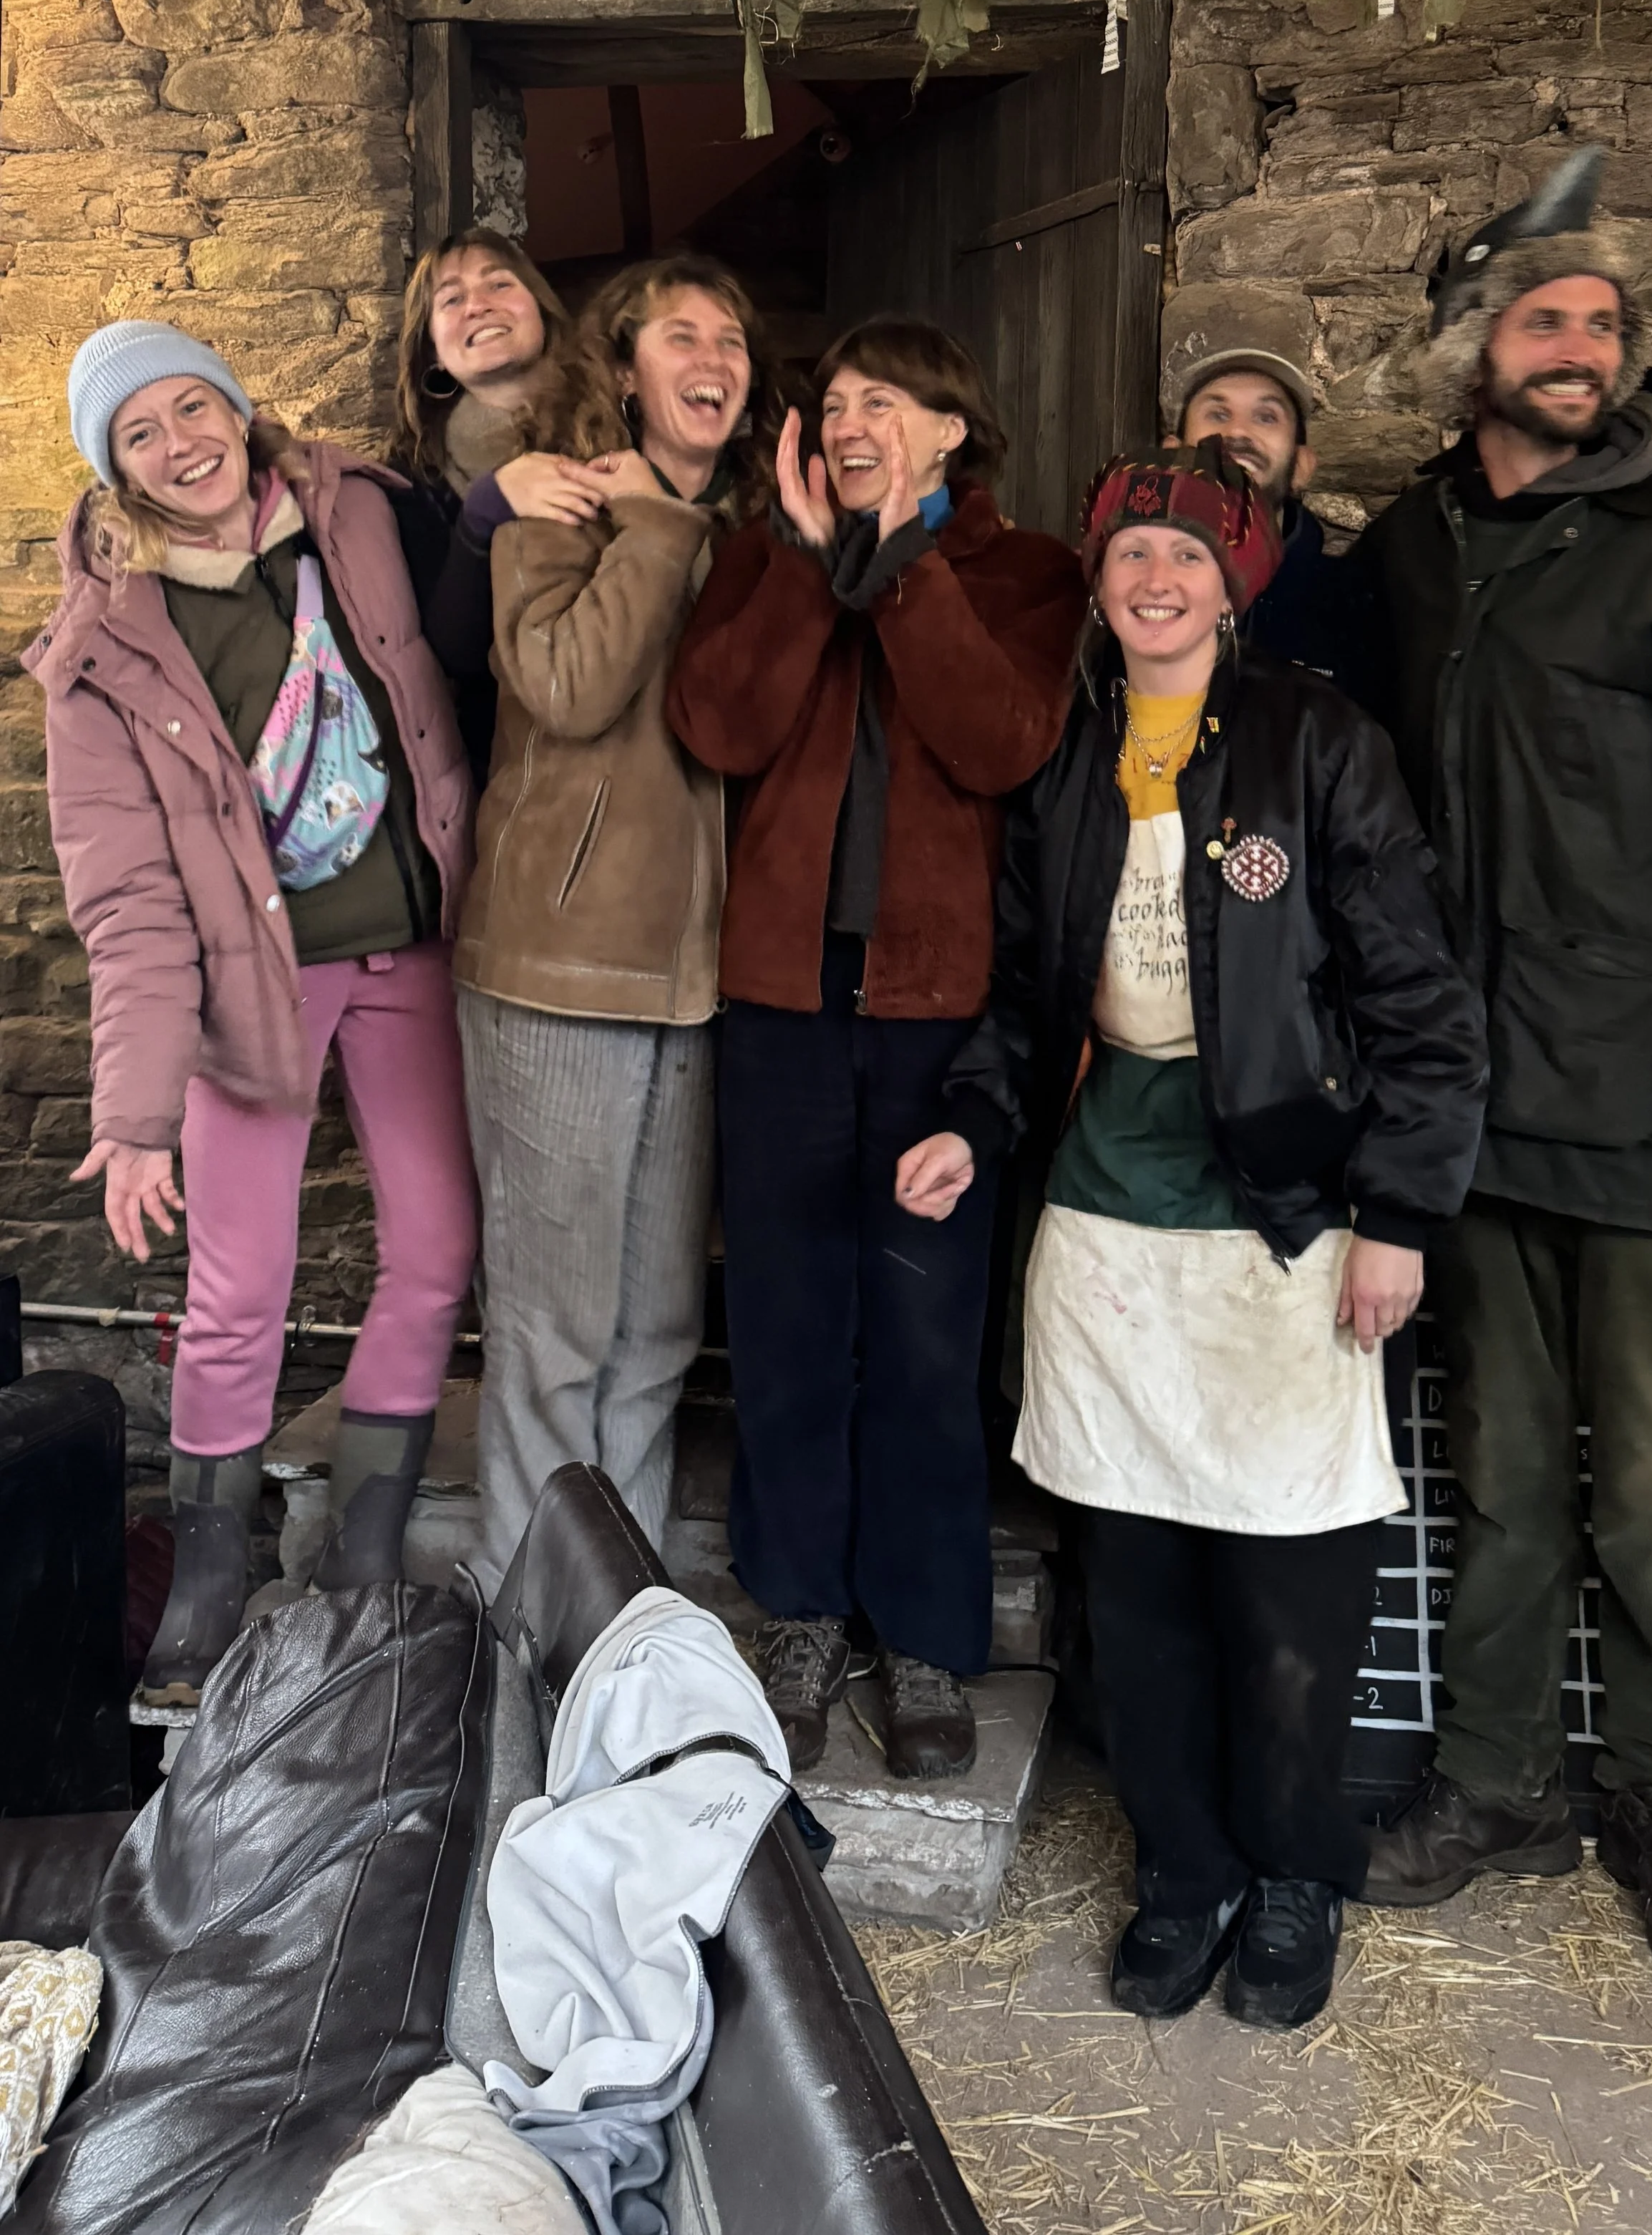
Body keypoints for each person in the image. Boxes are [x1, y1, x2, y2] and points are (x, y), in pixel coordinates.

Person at [894, 444, 1486, 2027]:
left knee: (1287, 1575)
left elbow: (1416, 1002)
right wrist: (970, 1118)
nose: (1151, 581)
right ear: (1096, 584)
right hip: (1102, 1217)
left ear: (1233, 581)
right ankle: (1185, 1864)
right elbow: (1022, 997)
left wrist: (1400, 1212)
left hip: (1285, 1212)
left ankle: (1294, 1868)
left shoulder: (1317, 743)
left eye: (1181, 556)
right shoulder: (1070, 756)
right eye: (1125, 556)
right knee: (1138, 1571)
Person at [1354, 147, 1652, 1991]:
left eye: (1603, 324)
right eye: (1545, 319)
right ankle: (1495, 1780)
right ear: (1474, 348)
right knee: (1506, 1475)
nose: (1581, 348)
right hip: (1481, 1096)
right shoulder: (1407, 550)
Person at [28, 322, 480, 1705]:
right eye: (140, 433)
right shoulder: (100, 651)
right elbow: (128, 904)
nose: (180, 443)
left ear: (236, 404)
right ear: (113, 471)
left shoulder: (359, 511)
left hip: (417, 947)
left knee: (437, 1245)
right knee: (239, 1285)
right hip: (248, 984)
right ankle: (213, 1557)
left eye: (190, 406)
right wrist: (136, 1114)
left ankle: (367, 1541)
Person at [665, 319, 1086, 1783]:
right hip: (778, 1003)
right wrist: (796, 554)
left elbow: (999, 739)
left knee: (921, 1338)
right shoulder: (765, 553)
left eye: (883, 401)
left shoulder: (1022, 575)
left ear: (950, 429)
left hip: (930, 1012)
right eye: (832, 402)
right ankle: (797, 1610)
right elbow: (716, 722)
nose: (849, 421)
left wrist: (896, 563)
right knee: (783, 1328)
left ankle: (923, 1632)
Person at [453, 253, 783, 1593]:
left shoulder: (754, 533)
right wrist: (652, 526)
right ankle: (526, 1638)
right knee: (554, 1332)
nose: (715, 355)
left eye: (735, 336)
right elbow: (572, 684)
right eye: (681, 333)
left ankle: (625, 1622)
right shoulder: (563, 509)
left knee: (655, 1326)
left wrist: (702, 536)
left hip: (695, 979)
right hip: (558, 966)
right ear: (625, 369)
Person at [391, 226, 590, 780]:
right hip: (514, 770)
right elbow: (452, 653)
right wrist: (486, 510)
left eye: (500, 285)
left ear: (541, 309)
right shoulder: (415, 480)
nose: (478, 305)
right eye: (451, 299)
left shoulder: (623, 421)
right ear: (432, 346)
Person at [1168, 298, 1364, 689]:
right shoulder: (1123, 591)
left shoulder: (1355, 610)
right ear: (1173, 457)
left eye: (1266, 416)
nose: (1238, 433)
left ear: (1302, 467)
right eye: (1218, 414)